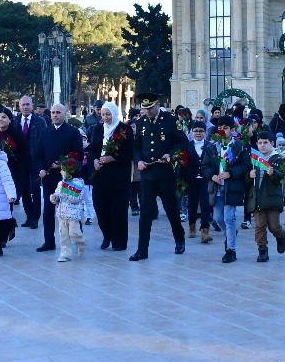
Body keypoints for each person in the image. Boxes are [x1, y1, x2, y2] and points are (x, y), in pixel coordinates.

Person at [128, 92, 187, 261]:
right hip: (147, 174)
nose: (148, 111)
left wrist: (170, 154)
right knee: (145, 212)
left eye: (150, 108)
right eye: (145, 108)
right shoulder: (140, 123)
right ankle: (142, 249)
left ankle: (179, 239)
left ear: (158, 104)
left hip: (165, 173)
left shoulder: (170, 120)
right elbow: (137, 146)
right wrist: (138, 160)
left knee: (171, 209)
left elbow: (182, 142)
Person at [34, 103, 83, 253]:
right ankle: (49, 241)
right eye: (53, 113)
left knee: (72, 210)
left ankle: (76, 239)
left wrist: (63, 164)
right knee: (48, 210)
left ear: (65, 114)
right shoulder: (45, 132)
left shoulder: (73, 132)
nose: (55, 115)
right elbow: (38, 154)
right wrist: (41, 169)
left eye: (58, 113)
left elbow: (78, 155)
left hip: (67, 179)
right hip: (49, 179)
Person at [204, 116, 250, 264]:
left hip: (232, 187)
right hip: (217, 187)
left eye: (226, 128)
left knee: (229, 218)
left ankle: (231, 249)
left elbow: (245, 165)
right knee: (218, 218)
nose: (222, 130)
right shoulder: (212, 147)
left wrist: (231, 173)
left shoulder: (239, 147)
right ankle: (230, 234)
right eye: (220, 128)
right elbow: (205, 166)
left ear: (231, 129)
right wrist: (212, 176)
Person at [89, 102, 133, 251]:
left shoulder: (124, 129)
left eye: (108, 114)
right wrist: (95, 160)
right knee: (100, 208)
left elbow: (129, 152)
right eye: (103, 114)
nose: (106, 117)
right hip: (100, 175)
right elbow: (93, 149)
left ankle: (119, 241)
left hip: (118, 176)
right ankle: (107, 235)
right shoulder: (97, 129)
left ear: (114, 114)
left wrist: (112, 158)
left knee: (118, 210)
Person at [247, 131, 285, 261]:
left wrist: (274, 173)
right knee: (259, 226)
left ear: (271, 143)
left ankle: (280, 237)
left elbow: (283, 177)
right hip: (257, 197)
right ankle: (262, 250)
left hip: (272, 198)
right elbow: (245, 178)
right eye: (260, 143)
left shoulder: (278, 158)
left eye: (265, 143)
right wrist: (249, 176)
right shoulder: (254, 159)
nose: (262, 146)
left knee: (274, 226)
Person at [14, 95, 47, 229]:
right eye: (23, 105)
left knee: (35, 190)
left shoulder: (40, 121)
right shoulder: (15, 121)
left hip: (35, 161)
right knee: (24, 191)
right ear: (20, 106)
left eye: (28, 104)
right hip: (21, 162)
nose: (26, 107)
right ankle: (29, 216)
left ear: (32, 106)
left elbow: (44, 140)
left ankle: (35, 217)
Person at [50, 153, 87, 262]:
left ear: (70, 172)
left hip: (73, 215)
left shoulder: (79, 184)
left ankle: (82, 244)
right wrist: (54, 198)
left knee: (74, 233)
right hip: (62, 214)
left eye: (62, 170)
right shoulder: (61, 183)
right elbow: (57, 194)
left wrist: (64, 194)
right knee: (64, 235)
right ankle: (65, 254)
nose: (60, 172)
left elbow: (77, 198)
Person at [182, 121, 213, 243]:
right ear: (192, 132)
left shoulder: (210, 146)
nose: (198, 133)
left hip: (206, 180)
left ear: (205, 132)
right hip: (191, 180)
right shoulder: (187, 146)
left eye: (201, 131)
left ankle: (205, 231)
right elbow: (182, 164)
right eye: (196, 131)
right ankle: (192, 227)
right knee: (192, 204)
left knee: (206, 204)